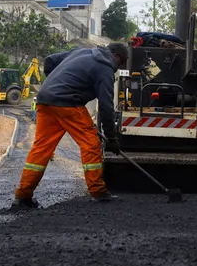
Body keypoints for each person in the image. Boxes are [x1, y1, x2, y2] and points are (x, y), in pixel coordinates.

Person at [11, 43, 129, 210]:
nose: (118, 68)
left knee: (41, 149)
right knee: (91, 144)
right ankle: (98, 192)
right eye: (121, 63)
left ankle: (22, 196)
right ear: (116, 56)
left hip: (45, 99)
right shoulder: (105, 69)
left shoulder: (81, 52)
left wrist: (55, 83)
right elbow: (106, 105)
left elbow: (51, 61)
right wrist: (111, 137)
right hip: (68, 103)